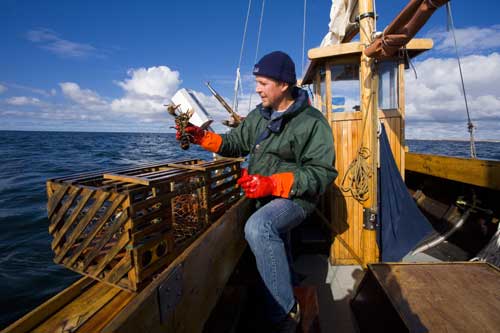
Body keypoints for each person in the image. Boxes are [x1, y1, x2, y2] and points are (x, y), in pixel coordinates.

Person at [176, 51, 337, 331]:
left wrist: (273, 183)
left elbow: (322, 173)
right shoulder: (259, 116)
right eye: (257, 82)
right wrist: (199, 135)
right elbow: (234, 143)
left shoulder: (312, 122)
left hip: (296, 198)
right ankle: (302, 292)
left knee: (259, 227)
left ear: (284, 84)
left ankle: (285, 317)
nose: (258, 89)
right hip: (263, 194)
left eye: (263, 83)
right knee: (275, 241)